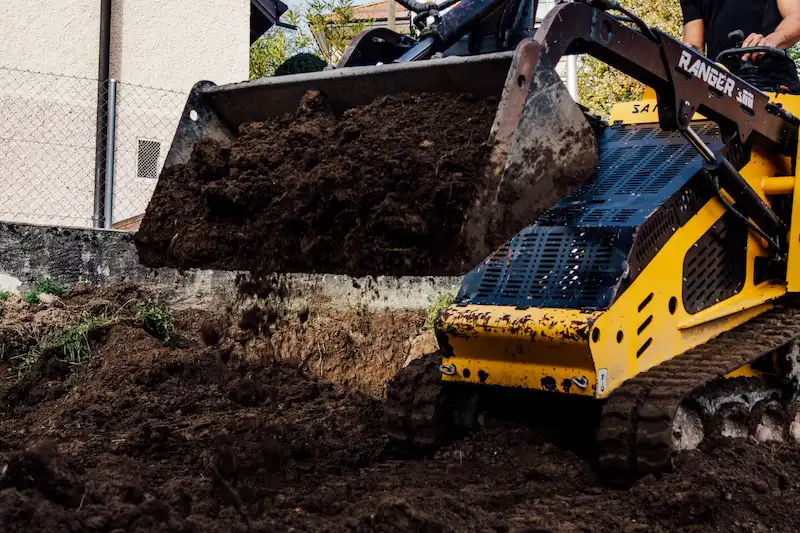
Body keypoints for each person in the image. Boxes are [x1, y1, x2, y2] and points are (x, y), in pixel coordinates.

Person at [680, 0, 800, 93]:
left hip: (773, 81)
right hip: (721, 86)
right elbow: (693, 45)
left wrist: (768, 42)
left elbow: (796, 17)